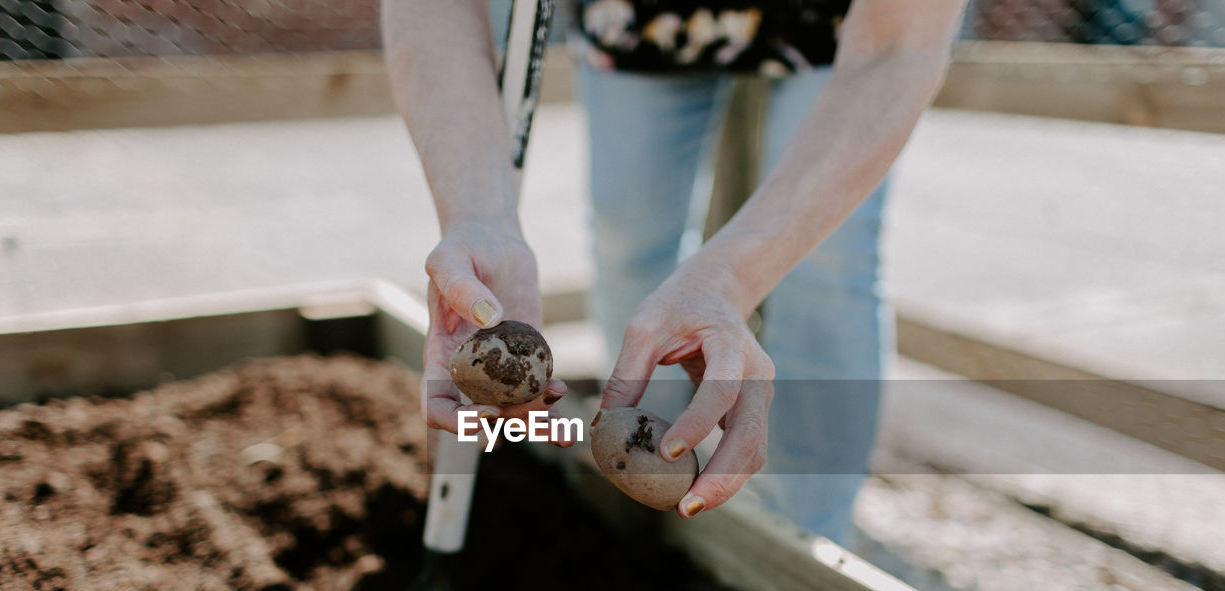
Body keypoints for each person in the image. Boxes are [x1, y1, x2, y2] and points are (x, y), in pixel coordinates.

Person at [381, 0, 968, 545]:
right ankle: (655, 507)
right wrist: (479, 214)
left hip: (832, 15)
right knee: (628, 234)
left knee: (828, 263)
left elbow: (899, 45)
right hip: (642, 16)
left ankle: (811, 541)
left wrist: (727, 280)